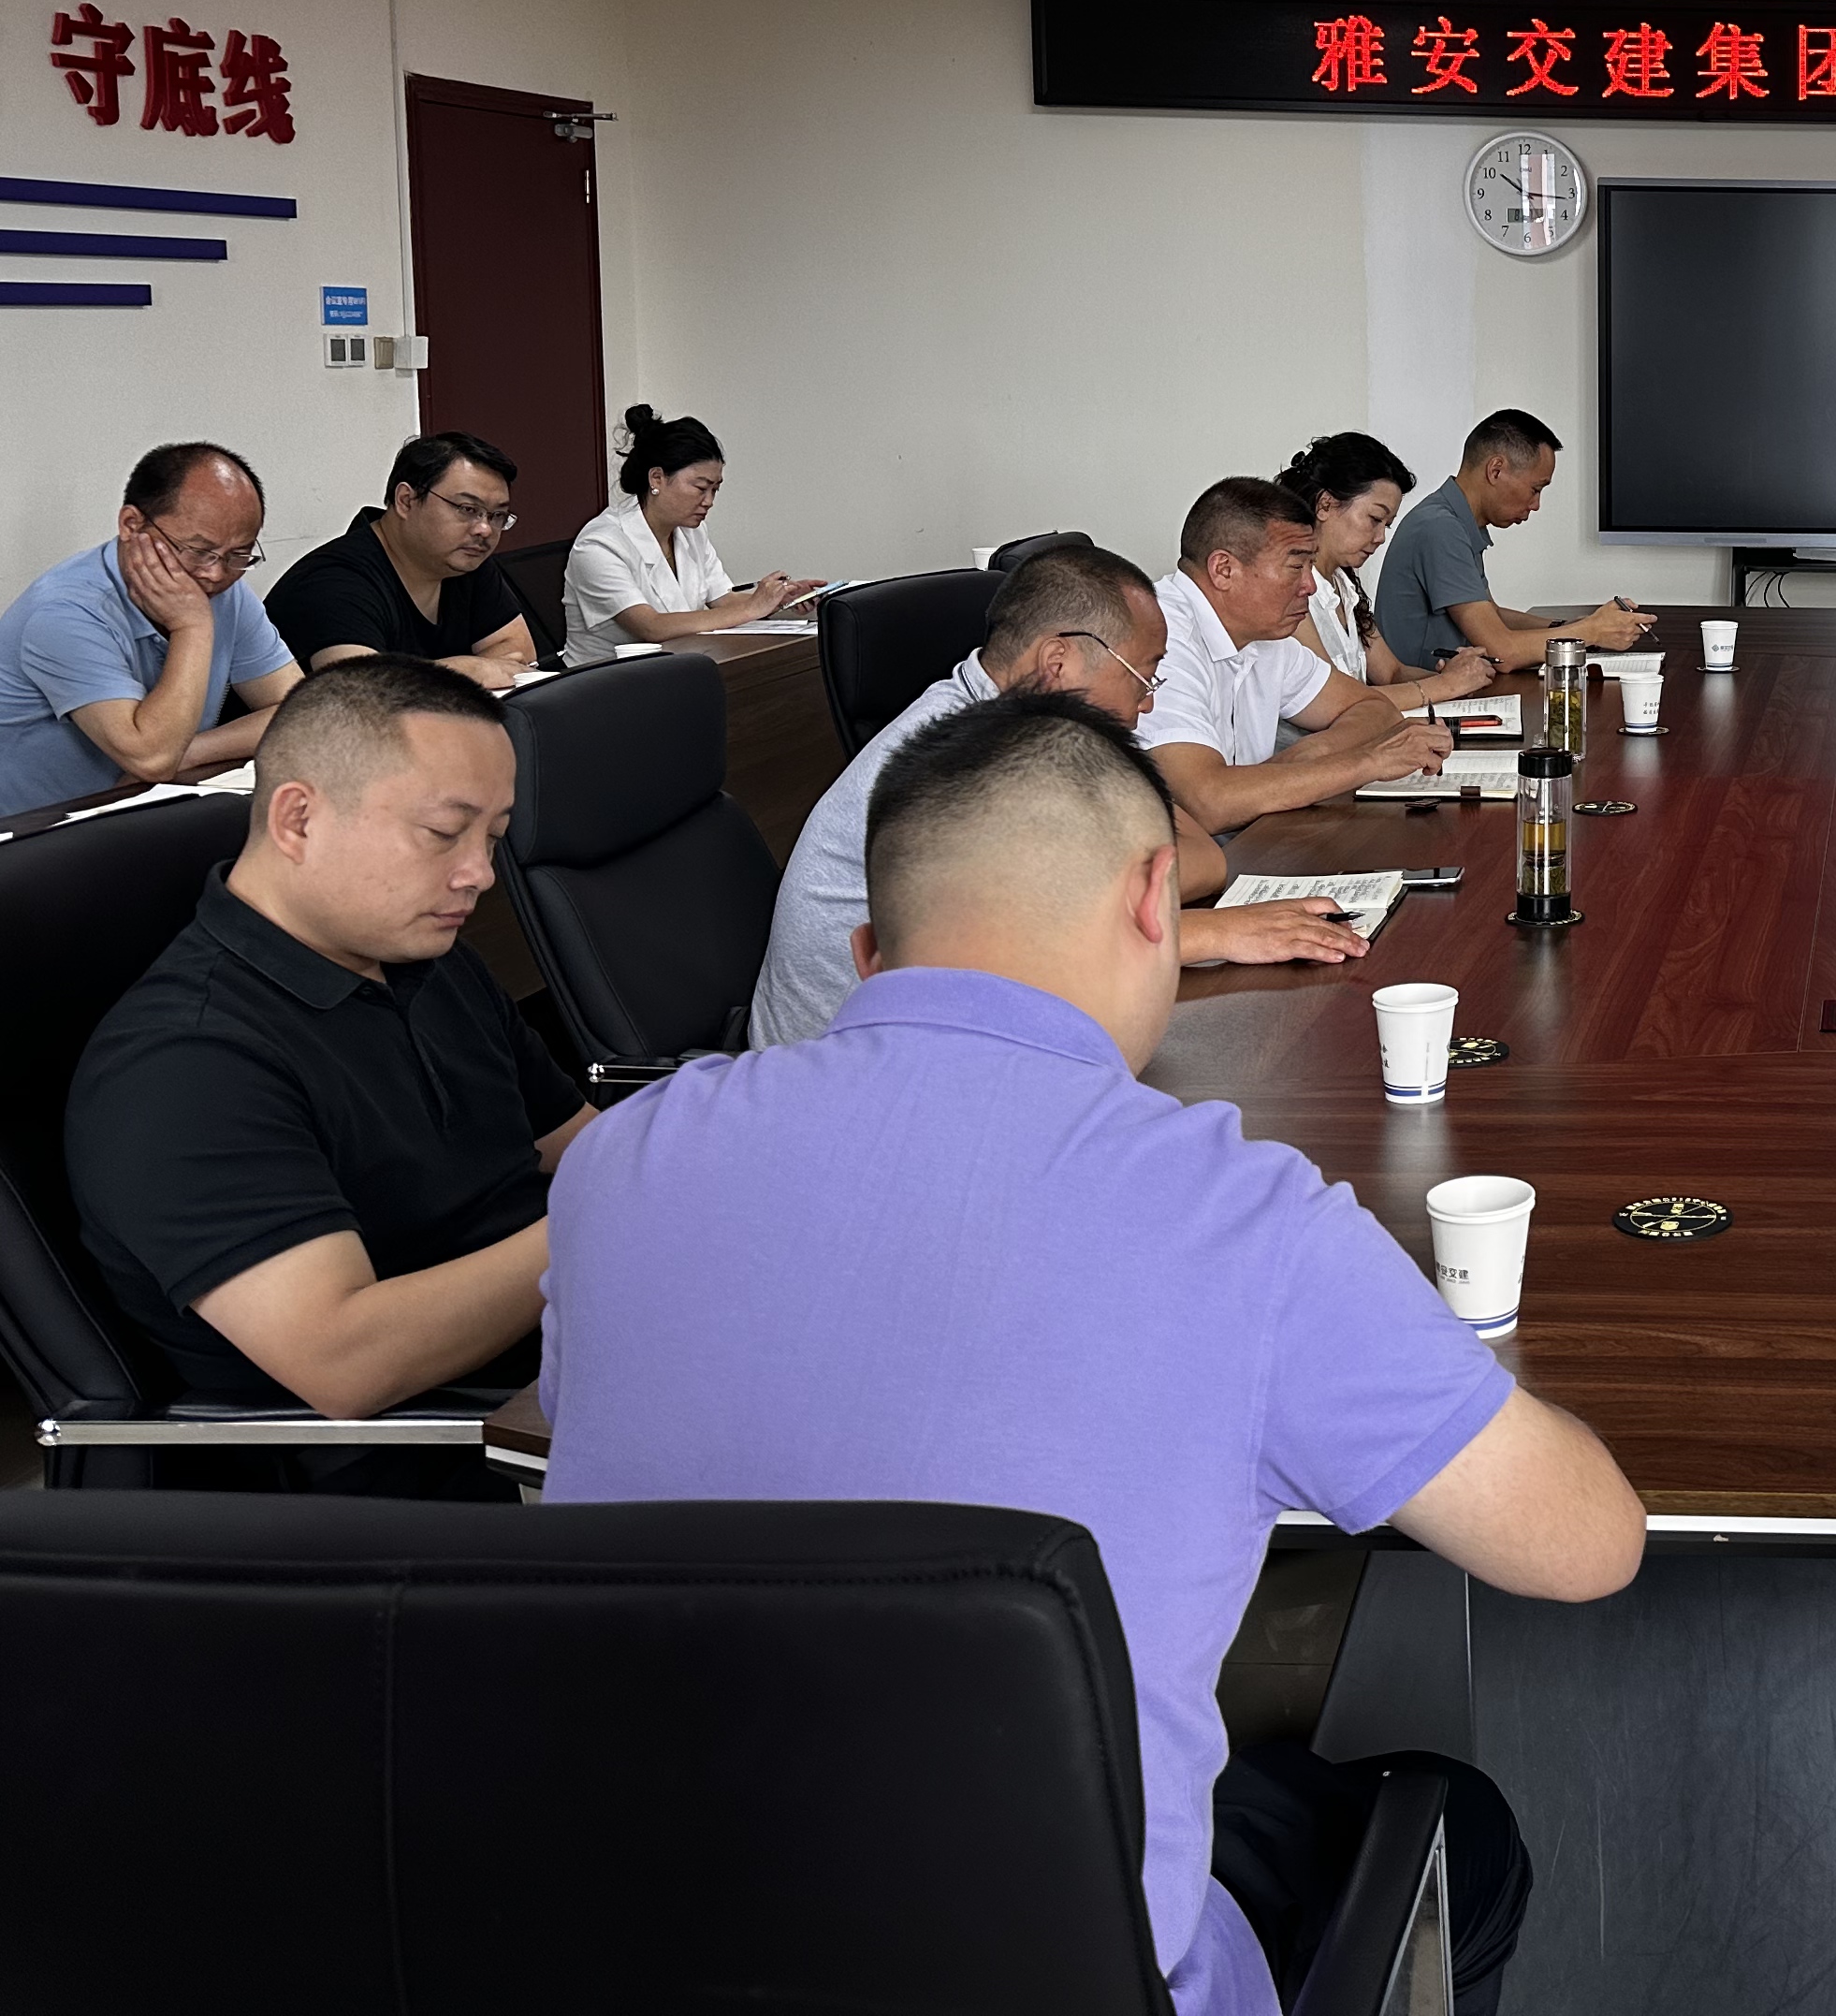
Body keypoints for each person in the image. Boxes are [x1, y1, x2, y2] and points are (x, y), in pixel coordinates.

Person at [544, 693, 1646, 2016]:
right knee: (1454, 1822)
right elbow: (1585, 1548)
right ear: (1151, 902)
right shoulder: (1241, 1220)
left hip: (628, 1946)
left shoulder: (620, 1163)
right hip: (1063, 1968)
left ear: (866, 952)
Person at [66, 658, 590, 1497]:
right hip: (429, 1463)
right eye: (443, 832)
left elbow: (574, 1141)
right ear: (299, 819)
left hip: (565, 1346)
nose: (480, 874)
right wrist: (608, 1222)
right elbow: (347, 1363)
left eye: (492, 837)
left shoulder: (424, 958)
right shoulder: (185, 1066)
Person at [753, 541, 1369, 1048]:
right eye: (1143, 677)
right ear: (1057, 663)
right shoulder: (961, 761)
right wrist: (1221, 932)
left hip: (957, 1028)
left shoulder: (1037, 733)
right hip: (851, 1064)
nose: (1147, 703)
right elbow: (1038, 947)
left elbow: (1200, 860)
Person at [0, 441, 302, 811]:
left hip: (140, 808)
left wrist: (190, 752)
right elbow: (152, 758)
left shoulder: (223, 591)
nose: (216, 574)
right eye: (198, 551)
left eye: (239, 555)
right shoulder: (65, 612)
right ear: (131, 525)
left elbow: (305, 710)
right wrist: (192, 627)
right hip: (35, 830)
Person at [1151, 477, 1459, 836]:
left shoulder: (1265, 634)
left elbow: (1374, 709)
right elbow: (1207, 803)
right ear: (1224, 570)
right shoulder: (1160, 637)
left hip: (1250, 844)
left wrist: (1304, 758)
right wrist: (1370, 761)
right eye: (1296, 567)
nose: (1310, 586)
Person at [1375, 409, 1649, 674]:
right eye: (1535, 489)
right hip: (1423, 694)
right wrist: (1589, 632)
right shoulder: (1440, 528)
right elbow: (1502, 652)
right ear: (1496, 470)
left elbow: (1491, 615)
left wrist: (1569, 628)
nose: (1536, 504)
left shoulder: (1456, 520)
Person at [263, 431, 540, 690]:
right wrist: (469, 670)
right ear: (406, 500)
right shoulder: (333, 582)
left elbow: (519, 654)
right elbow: (361, 692)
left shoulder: (463, 559)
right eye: (467, 509)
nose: (485, 529)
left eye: (497, 516)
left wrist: (428, 678)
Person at [561, 405, 822, 667]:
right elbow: (651, 626)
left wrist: (778, 599)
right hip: (604, 679)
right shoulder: (599, 545)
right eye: (700, 488)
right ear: (657, 478)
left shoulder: (690, 531)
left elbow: (724, 600)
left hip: (677, 666)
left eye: (715, 490)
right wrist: (753, 607)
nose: (709, 501)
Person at [1277, 431, 1501, 711]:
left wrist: (1458, 678)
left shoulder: (1343, 584)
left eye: (1387, 525)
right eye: (1375, 519)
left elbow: (1392, 673)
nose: (1381, 538)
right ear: (1325, 505)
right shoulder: (1291, 591)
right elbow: (1337, 700)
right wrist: (1446, 686)